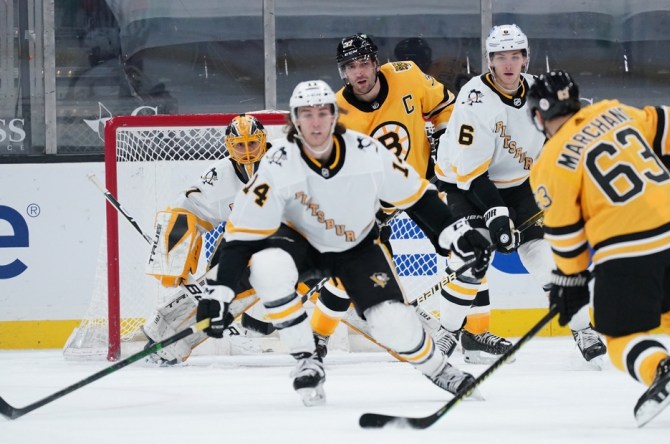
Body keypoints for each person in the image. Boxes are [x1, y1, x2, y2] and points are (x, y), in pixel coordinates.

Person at [195, 80, 491, 406]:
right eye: (306, 114)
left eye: (323, 112)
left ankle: (439, 369)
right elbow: (241, 236)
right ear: (294, 121)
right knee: (267, 267)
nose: (316, 122)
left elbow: (419, 197)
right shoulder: (277, 163)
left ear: (335, 115)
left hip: (356, 247)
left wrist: (458, 232)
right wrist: (219, 291)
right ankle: (306, 359)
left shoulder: (366, 152)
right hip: (300, 246)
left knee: (393, 323)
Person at [526, 69, 670, 426]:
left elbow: (566, 233)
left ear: (538, 117)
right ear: (575, 97)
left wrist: (568, 282)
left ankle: (660, 368)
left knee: (619, 335)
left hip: (628, 247)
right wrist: (669, 166)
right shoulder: (612, 111)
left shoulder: (548, 163)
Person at [433, 24, 606, 365]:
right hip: (465, 184)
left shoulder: (539, 92)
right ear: (490, 61)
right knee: (472, 257)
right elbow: (470, 172)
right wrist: (497, 216)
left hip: (519, 183)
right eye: (500, 57)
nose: (508, 64)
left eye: (515, 56)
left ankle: (583, 329)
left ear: (526, 59)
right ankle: (448, 332)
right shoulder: (474, 98)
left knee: (544, 257)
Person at [309, 33, 457, 358]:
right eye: (350, 67)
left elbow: (447, 105)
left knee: (462, 243)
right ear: (342, 72)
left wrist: (445, 145)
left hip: (420, 187)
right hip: (373, 204)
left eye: (363, 63)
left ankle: (465, 330)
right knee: (349, 269)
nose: (358, 72)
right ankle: (316, 338)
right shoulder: (337, 114)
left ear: (376, 62)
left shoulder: (408, 75)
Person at [142, 114, 275, 365]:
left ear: (264, 141)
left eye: (252, 144)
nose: (246, 152)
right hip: (243, 238)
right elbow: (186, 209)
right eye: (240, 145)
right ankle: (167, 336)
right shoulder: (219, 177)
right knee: (217, 284)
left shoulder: (288, 160)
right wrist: (174, 247)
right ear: (229, 146)